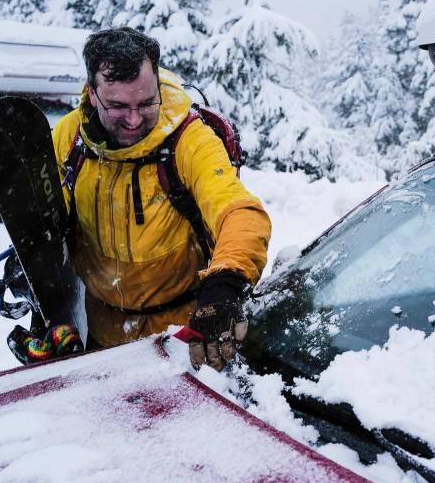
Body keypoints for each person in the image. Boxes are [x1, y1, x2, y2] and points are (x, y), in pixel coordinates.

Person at [51, 27, 271, 370]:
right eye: (118, 106)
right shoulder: (69, 138)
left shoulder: (189, 138)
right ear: (92, 95)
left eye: (146, 102)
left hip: (180, 343)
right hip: (99, 340)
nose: (135, 119)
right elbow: (51, 219)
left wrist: (227, 281)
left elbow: (240, 211)